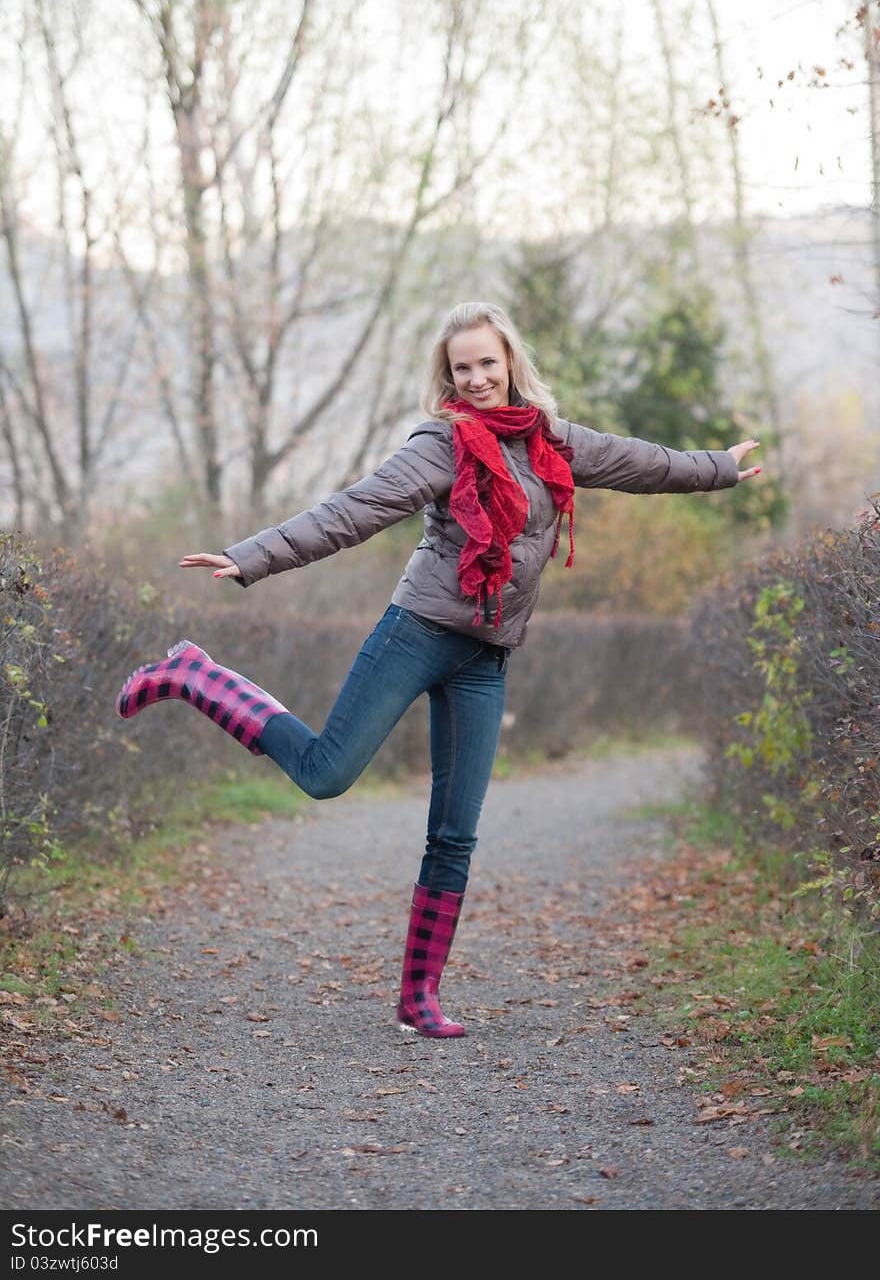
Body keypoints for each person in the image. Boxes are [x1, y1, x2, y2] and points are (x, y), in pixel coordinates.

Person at [115, 301, 761, 1039]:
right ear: (448, 377)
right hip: (417, 632)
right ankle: (195, 675)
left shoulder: (552, 440)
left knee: (455, 834)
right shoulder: (443, 444)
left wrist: (717, 469)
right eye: (464, 368)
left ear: (511, 362)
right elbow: (351, 511)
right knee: (327, 774)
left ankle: (419, 997)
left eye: (489, 363)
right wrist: (252, 555)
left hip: (485, 656)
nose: (479, 378)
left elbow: (639, 461)